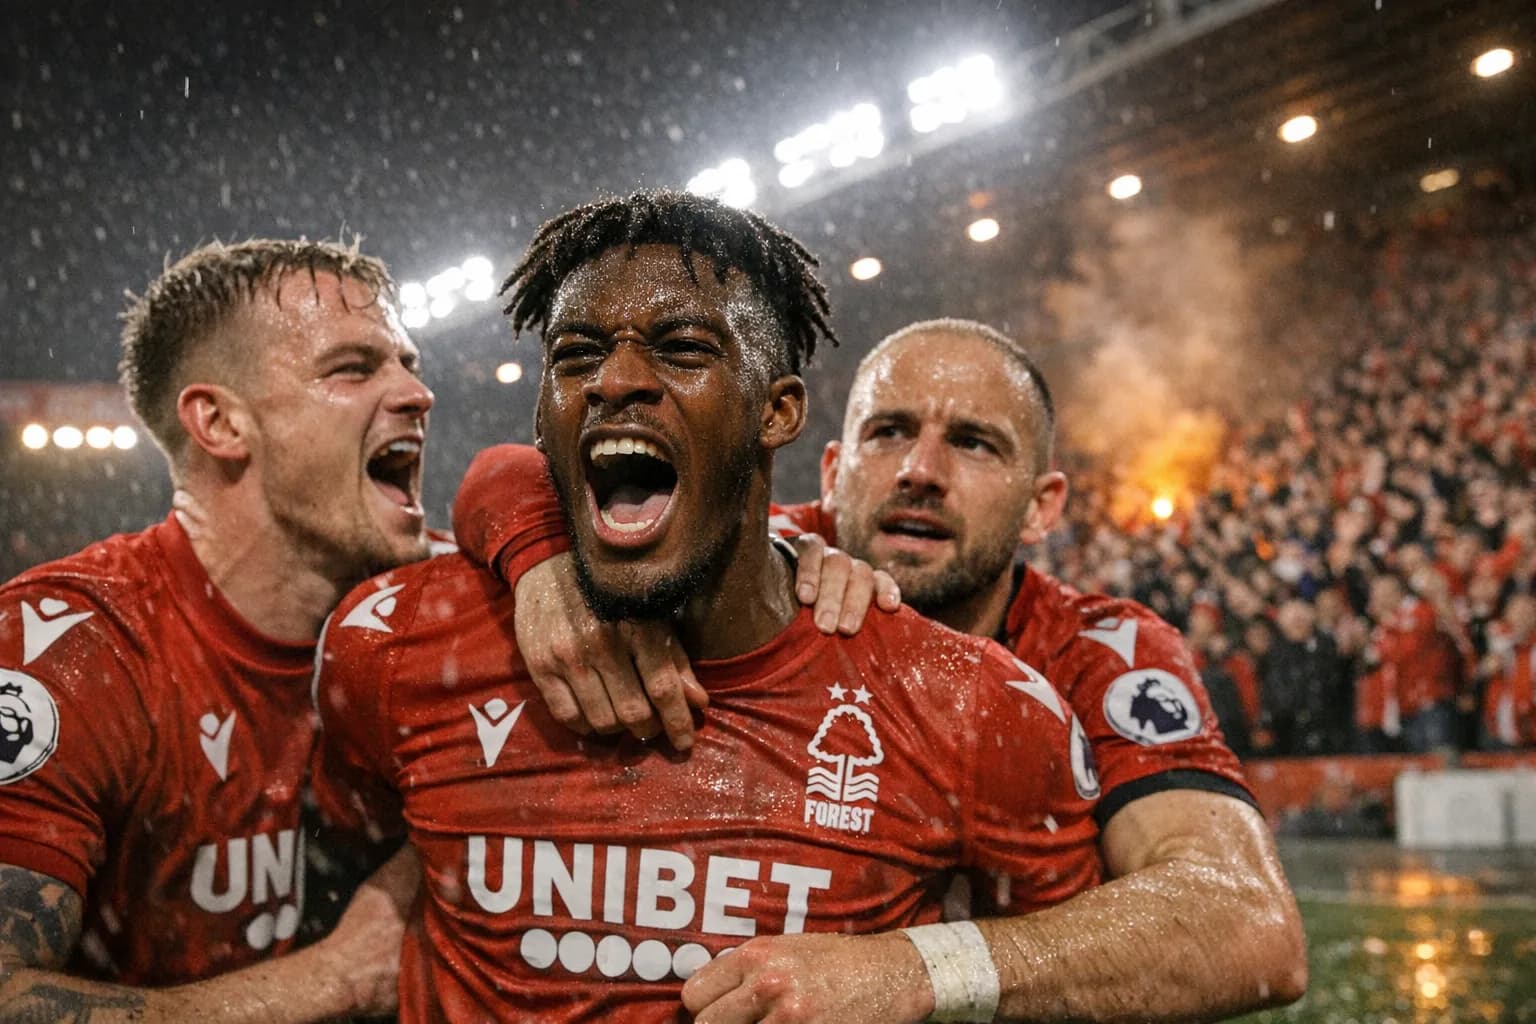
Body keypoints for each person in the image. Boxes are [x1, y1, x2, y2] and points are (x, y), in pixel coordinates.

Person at [312, 190, 1104, 1022]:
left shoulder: (972, 708)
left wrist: (917, 974)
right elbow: (348, 879)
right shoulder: (393, 647)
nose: (616, 381)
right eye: (575, 356)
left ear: (778, 411)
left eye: (682, 348)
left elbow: (1079, 977)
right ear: (542, 416)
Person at [459, 317, 1308, 1019]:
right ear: (835, 470)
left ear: (1042, 505)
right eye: (889, 432)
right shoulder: (740, 564)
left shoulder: (1098, 653)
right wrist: (543, 568)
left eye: (974, 444)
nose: (920, 472)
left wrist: (914, 969)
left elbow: (1248, 922)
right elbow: (506, 471)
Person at [0, 240, 429, 1021]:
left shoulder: (440, 613)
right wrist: (335, 979)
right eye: (354, 369)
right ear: (221, 421)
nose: (417, 392)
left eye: (407, 361)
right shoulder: (68, 653)